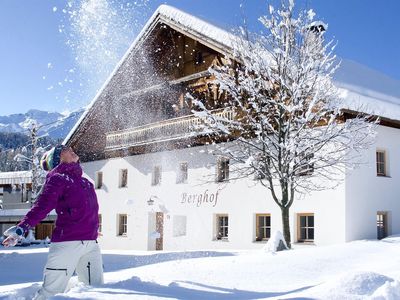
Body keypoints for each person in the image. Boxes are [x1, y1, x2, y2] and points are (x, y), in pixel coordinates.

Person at [2, 145, 103, 299]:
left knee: (94, 291)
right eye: (63, 149)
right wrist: (21, 228)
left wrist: (93, 228)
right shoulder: (57, 179)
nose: (70, 148)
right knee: (50, 294)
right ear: (57, 159)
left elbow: (89, 210)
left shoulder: (85, 183)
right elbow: (41, 207)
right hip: (66, 244)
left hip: (91, 244)